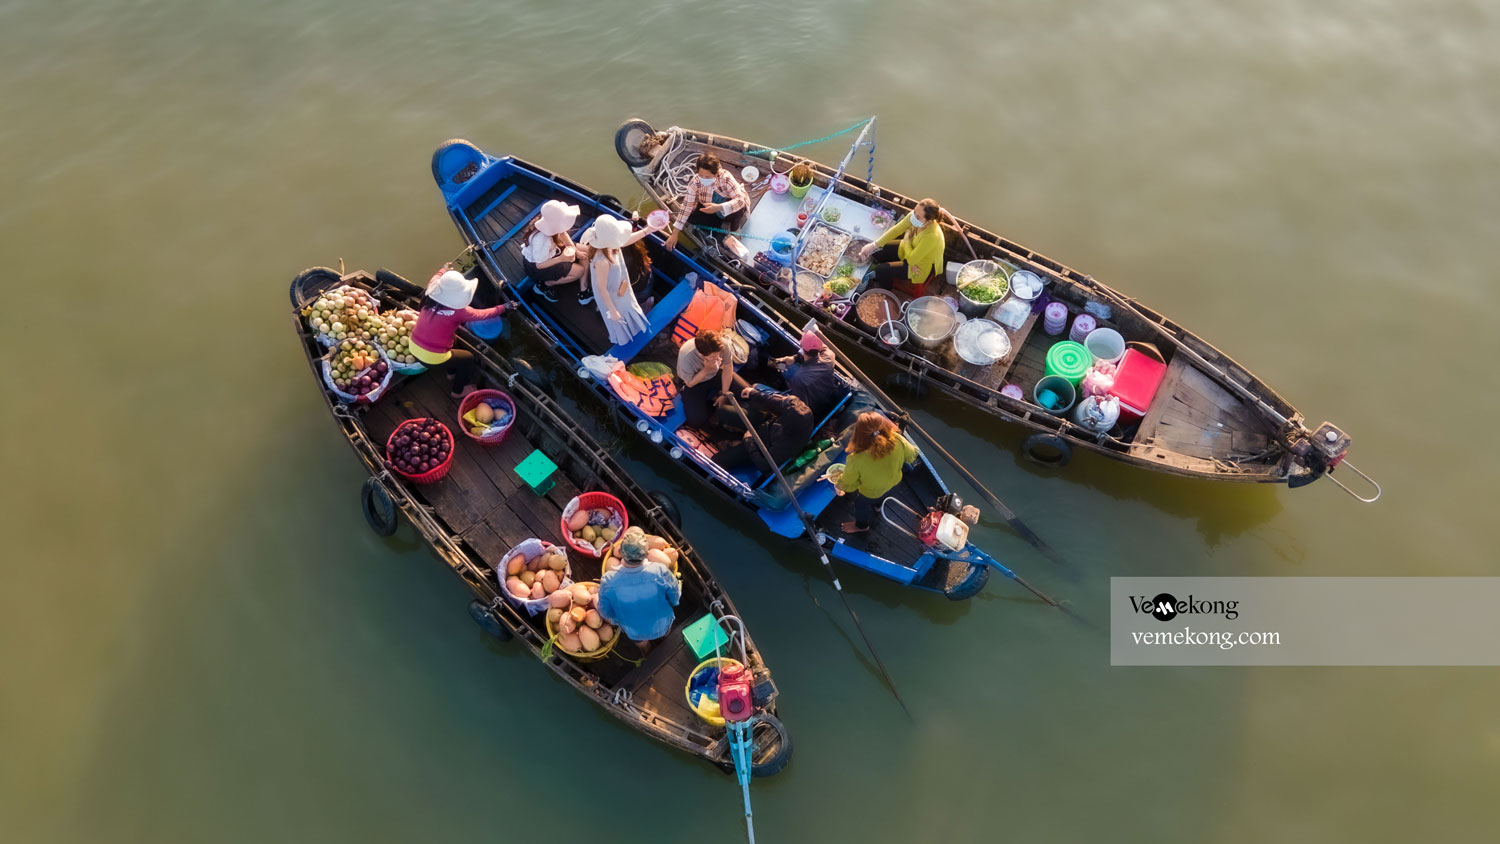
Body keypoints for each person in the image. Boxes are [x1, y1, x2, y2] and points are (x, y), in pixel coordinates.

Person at [409, 269, 509, 398]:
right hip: (432, 357)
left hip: (413, 346)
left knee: (454, 343)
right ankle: (457, 391)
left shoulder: (430, 296)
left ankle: (451, 373)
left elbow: (434, 278)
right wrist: (504, 307)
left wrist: (443, 269)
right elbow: (483, 314)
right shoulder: (460, 311)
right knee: (468, 358)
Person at [836, 411, 920, 534]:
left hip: (872, 493)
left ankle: (862, 526)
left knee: (860, 503)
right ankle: (878, 507)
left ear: (859, 434)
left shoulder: (856, 458)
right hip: (895, 483)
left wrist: (838, 485)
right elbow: (912, 455)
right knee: (882, 494)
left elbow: (849, 483)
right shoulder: (897, 439)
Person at [597, 534, 681, 648]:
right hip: (662, 624)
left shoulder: (608, 581)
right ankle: (665, 643)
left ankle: (646, 651)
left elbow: (605, 612)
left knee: (641, 643)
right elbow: (675, 597)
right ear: (647, 553)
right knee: (665, 632)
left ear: (621, 553)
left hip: (634, 631)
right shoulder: (660, 571)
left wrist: (618, 619)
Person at [581, 217, 654, 346]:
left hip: (620, 286)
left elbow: (626, 241)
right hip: (612, 295)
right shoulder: (602, 261)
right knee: (619, 317)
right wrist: (612, 310)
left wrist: (648, 230)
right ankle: (621, 337)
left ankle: (632, 329)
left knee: (629, 307)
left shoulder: (610, 245)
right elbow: (601, 288)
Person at [857, 198, 947, 297]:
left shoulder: (932, 236)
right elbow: (896, 230)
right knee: (878, 251)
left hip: (920, 264)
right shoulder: (915, 217)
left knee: (881, 270)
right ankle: (886, 272)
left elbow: (912, 260)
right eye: (914, 211)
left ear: (929, 222)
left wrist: (907, 239)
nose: (913, 216)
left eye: (918, 216)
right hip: (909, 248)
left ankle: (886, 290)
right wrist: (873, 245)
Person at [712, 387, 814, 475]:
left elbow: (765, 465)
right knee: (723, 411)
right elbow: (774, 401)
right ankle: (733, 435)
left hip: (761, 444)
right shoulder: (793, 406)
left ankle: (737, 441)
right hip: (766, 423)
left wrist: (749, 441)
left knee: (717, 461)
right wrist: (753, 393)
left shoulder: (787, 445)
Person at [664, 153, 750, 251]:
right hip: (707, 205)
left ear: (716, 173)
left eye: (708, 176)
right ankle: (721, 228)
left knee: (740, 209)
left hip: (724, 204)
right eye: (701, 175)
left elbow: (740, 200)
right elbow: (686, 205)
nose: (703, 179)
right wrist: (675, 233)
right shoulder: (695, 181)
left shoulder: (725, 178)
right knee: (692, 217)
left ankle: (735, 229)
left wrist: (718, 207)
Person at [677, 328, 749, 430]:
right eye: (713, 357)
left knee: (746, 391)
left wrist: (724, 394)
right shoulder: (686, 355)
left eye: (718, 354)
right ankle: (711, 410)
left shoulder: (722, 344)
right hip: (695, 384)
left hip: (716, 374)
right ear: (701, 355)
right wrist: (706, 370)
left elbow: (728, 367)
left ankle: (720, 401)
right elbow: (689, 383)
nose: (718, 357)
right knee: (696, 421)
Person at [772, 330, 850, 421]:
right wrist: (794, 358)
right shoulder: (829, 357)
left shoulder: (798, 378)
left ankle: (771, 362)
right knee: (784, 367)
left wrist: (789, 362)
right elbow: (822, 345)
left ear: (801, 347)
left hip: (814, 410)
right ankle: (773, 363)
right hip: (829, 398)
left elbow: (800, 404)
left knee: (783, 368)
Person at [521, 200, 587, 305]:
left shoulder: (546, 221)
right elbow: (539, 265)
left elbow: (562, 232)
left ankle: (584, 289)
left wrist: (574, 249)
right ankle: (544, 285)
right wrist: (562, 258)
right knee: (580, 271)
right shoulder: (541, 240)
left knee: (585, 251)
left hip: (550, 251)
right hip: (537, 266)